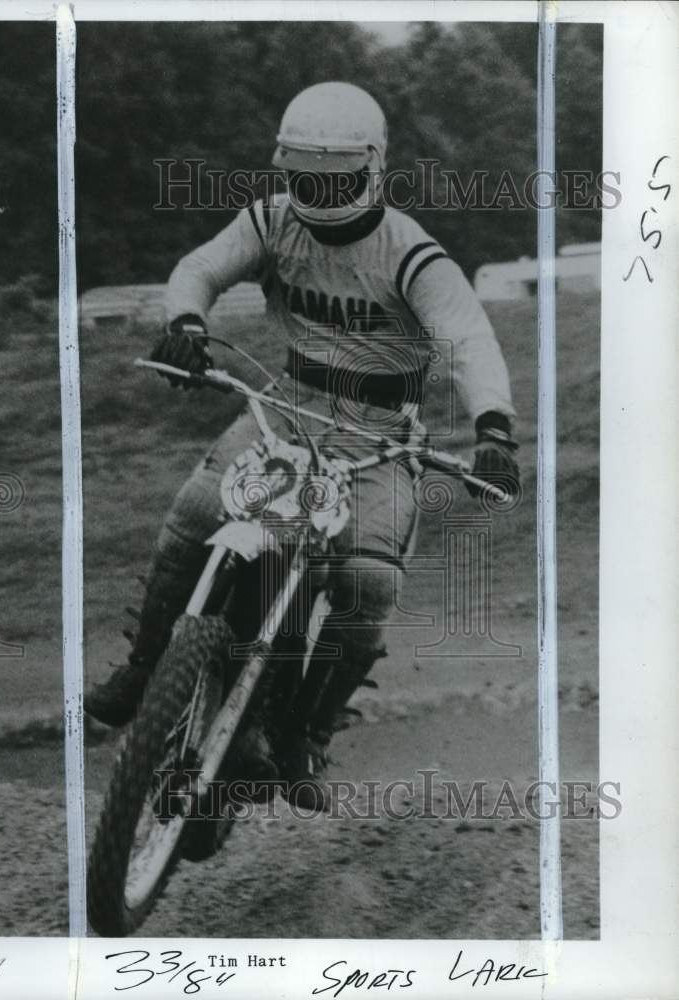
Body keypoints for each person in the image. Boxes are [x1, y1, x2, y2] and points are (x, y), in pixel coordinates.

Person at [85, 82, 520, 812]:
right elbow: (200, 267)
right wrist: (185, 323)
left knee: (366, 585)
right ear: (283, 169)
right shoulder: (270, 220)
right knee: (193, 514)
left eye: (334, 179)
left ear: (373, 167)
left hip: (379, 437)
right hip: (286, 409)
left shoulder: (414, 255)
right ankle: (145, 668)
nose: (318, 193)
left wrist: (494, 430)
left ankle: (303, 730)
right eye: (303, 178)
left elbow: (470, 341)